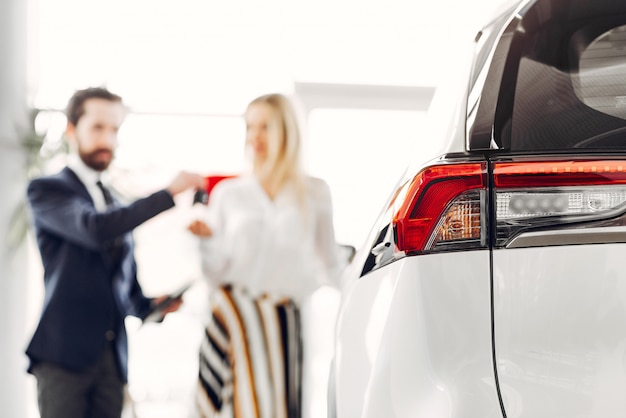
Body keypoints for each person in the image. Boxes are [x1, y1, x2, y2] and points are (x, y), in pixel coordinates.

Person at [25, 86, 206, 418]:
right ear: (71, 129)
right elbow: (94, 229)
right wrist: (168, 193)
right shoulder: (47, 191)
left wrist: (153, 305)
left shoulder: (116, 203)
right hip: (63, 359)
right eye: (97, 127)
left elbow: (126, 291)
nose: (107, 139)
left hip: (112, 363)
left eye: (114, 129)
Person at [188, 93, 345, 418]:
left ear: (287, 132)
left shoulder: (315, 191)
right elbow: (215, 273)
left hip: (287, 323)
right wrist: (203, 242)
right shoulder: (229, 194)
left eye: (265, 127)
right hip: (236, 319)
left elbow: (330, 263)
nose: (254, 137)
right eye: (250, 127)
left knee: (283, 408)